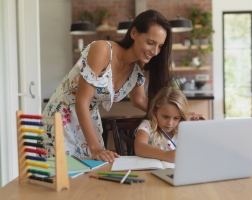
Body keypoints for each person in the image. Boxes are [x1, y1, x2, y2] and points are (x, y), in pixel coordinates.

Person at [42, 9, 173, 162]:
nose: (155, 51)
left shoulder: (137, 69)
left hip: (87, 122)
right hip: (61, 117)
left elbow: (140, 100)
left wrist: (180, 114)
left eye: (160, 46)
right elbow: (82, 102)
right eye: (151, 43)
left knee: (87, 179)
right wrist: (95, 148)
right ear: (134, 33)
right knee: (62, 178)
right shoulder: (103, 50)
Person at [134, 87, 190, 163]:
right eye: (165, 117)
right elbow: (139, 147)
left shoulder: (183, 129)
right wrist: (166, 155)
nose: (170, 123)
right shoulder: (147, 126)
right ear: (155, 111)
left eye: (176, 118)